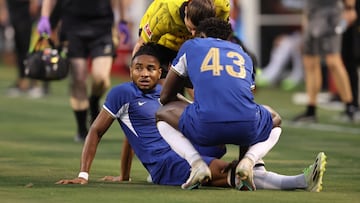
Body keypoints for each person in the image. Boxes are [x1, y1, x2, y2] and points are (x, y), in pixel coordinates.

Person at [55, 42, 327, 193]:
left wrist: (125, 175)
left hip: (190, 149)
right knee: (226, 172)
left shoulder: (166, 95)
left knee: (230, 132)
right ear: (130, 71)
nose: (144, 73)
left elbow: (132, 135)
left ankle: (246, 163)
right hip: (165, 163)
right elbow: (96, 132)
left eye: (151, 68)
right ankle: (299, 182)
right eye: (138, 68)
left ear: (162, 73)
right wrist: (83, 174)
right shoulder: (121, 94)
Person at [156, 17, 283, 191]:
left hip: (205, 126)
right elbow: (246, 97)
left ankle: (197, 164)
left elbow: (165, 96)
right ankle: (248, 161)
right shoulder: (242, 53)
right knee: (273, 118)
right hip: (246, 128)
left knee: (161, 114)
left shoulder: (191, 46)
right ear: (229, 38)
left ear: (201, 35)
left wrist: (193, 99)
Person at [38, 0, 130, 142]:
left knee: (101, 78)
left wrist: (122, 20)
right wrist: (44, 17)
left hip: (102, 25)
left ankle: (93, 101)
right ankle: (82, 129)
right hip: (72, 25)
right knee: (78, 79)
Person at [293, 0, 358, 122]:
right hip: (312, 11)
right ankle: (311, 110)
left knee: (333, 61)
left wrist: (350, 7)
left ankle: (350, 106)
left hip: (331, 12)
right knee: (310, 62)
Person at [0, 0, 48, 98]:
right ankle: (22, 81)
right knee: (19, 48)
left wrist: (33, 3)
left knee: (30, 48)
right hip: (14, 9)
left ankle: (34, 83)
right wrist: (3, 10)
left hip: (26, 10)